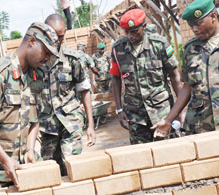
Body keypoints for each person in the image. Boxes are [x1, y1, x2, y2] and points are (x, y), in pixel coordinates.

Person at [0, 22, 59, 190]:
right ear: (31, 41)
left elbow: (35, 119)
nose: (47, 58)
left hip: (20, 166)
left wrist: (30, 149)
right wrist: (5, 160)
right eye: (46, 52)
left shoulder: (35, 76)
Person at [110, 9, 183, 144]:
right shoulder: (117, 49)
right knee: (142, 155)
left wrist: (180, 111)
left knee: (168, 150)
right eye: (127, 32)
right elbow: (115, 77)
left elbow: (174, 76)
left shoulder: (159, 44)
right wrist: (119, 109)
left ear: (143, 26)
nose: (130, 36)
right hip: (135, 115)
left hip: (162, 111)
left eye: (134, 31)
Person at [152, 0, 219, 137]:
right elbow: (187, 87)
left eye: (198, 23)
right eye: (191, 25)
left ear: (213, 17)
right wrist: (168, 119)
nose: (194, 29)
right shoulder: (191, 48)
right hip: (201, 126)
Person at [39, 14, 96, 175]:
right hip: (47, 126)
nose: (57, 40)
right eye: (53, 36)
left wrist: (90, 125)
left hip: (71, 122)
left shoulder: (73, 59)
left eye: (61, 36)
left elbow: (84, 90)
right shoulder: (35, 62)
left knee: (72, 163)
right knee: (52, 170)